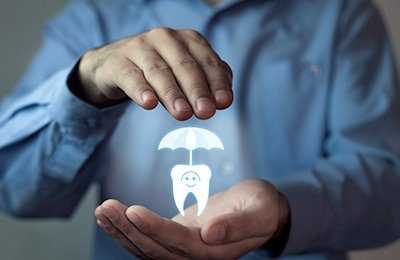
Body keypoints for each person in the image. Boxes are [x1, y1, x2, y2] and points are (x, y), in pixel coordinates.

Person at [0, 0, 399, 259]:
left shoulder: (341, 13)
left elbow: (388, 184)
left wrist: (285, 208)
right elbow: (14, 190)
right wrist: (84, 88)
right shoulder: (95, 17)